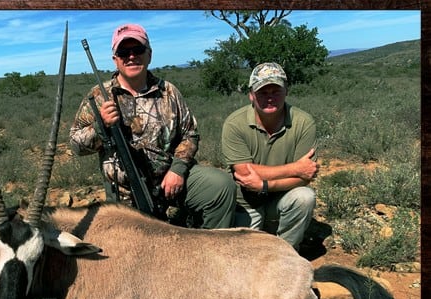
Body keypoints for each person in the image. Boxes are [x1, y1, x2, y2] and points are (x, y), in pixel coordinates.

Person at [70, 23, 236, 229]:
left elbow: (190, 134)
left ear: (149, 55)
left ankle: (210, 252)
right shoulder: (97, 95)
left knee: (220, 186)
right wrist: (100, 126)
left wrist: (177, 170)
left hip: (171, 181)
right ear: (115, 60)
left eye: (138, 50)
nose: (131, 56)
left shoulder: (169, 91)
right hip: (126, 191)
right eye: (124, 52)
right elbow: (77, 146)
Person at [221, 62, 319, 250]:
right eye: (263, 93)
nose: (270, 98)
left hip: (281, 197)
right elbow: (244, 172)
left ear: (286, 91)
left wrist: (265, 185)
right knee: (245, 256)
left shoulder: (303, 122)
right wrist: (295, 168)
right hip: (245, 202)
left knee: (304, 197)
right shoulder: (234, 124)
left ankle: (288, 252)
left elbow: (304, 179)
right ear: (251, 95)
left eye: (276, 91)